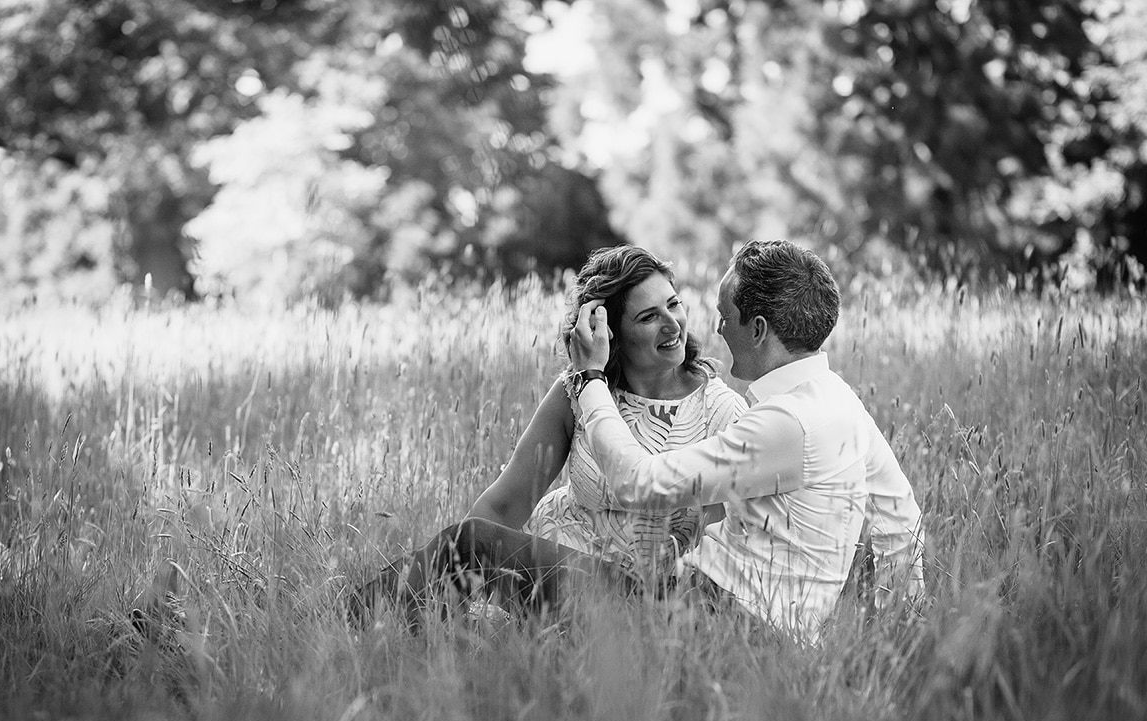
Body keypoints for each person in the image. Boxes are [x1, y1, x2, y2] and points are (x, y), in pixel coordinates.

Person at [351, 245, 748, 620]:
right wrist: (465, 580)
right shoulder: (578, 390)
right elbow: (505, 505)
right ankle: (358, 624)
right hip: (551, 569)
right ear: (607, 331)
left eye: (673, 305)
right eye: (648, 317)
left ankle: (351, 618)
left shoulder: (720, 411)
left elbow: (715, 547)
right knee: (464, 562)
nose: (672, 324)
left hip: (638, 598)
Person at [566, 239, 925, 639]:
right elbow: (901, 522)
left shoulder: (786, 423)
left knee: (484, 541)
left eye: (725, 315)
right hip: (755, 625)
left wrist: (590, 379)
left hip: (708, 616)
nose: (717, 328)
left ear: (757, 329)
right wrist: (898, 634)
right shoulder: (842, 401)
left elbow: (639, 483)